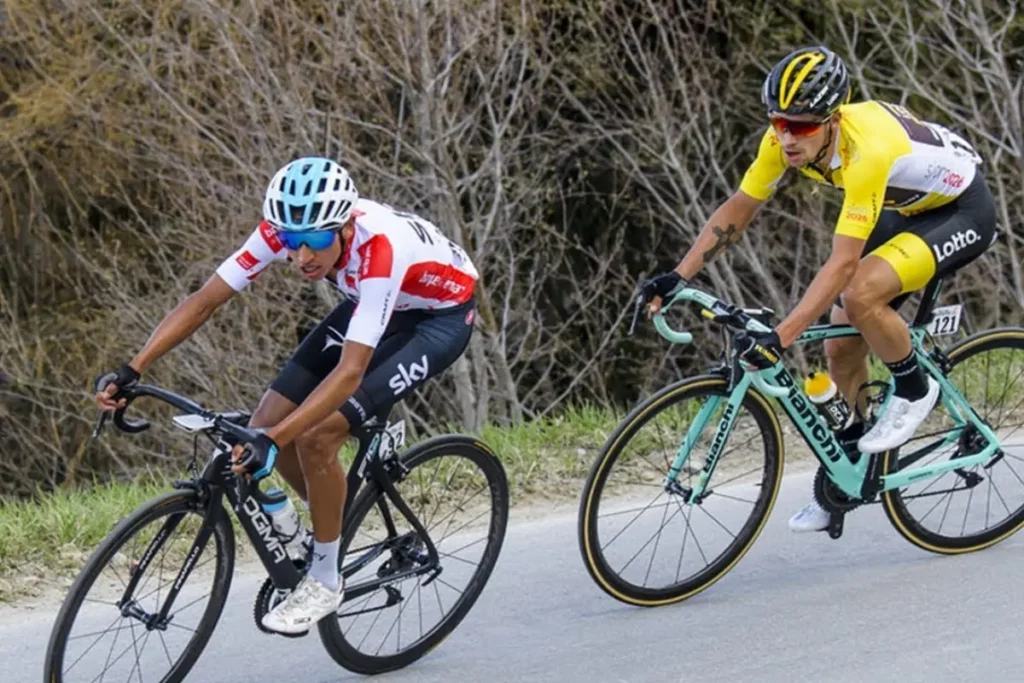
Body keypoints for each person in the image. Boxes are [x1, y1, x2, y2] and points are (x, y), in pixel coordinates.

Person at [94, 157, 479, 632]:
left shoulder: (379, 248)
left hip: (438, 320)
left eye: (316, 242)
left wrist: (276, 440)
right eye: (293, 244)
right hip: (382, 304)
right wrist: (134, 366)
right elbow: (206, 299)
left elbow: (349, 372)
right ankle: (313, 529)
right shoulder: (286, 230)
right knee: (262, 422)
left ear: (343, 227)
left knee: (315, 437)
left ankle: (324, 576)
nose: (301, 257)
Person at [638, 46, 996, 533]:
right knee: (839, 346)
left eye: (801, 126)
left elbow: (844, 263)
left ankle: (916, 387)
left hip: (961, 210)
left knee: (861, 294)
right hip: (906, 206)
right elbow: (739, 208)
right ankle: (848, 474)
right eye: (778, 122)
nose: (786, 136)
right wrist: (679, 276)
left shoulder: (864, 148)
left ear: (832, 119)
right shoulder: (782, 140)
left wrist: (781, 337)